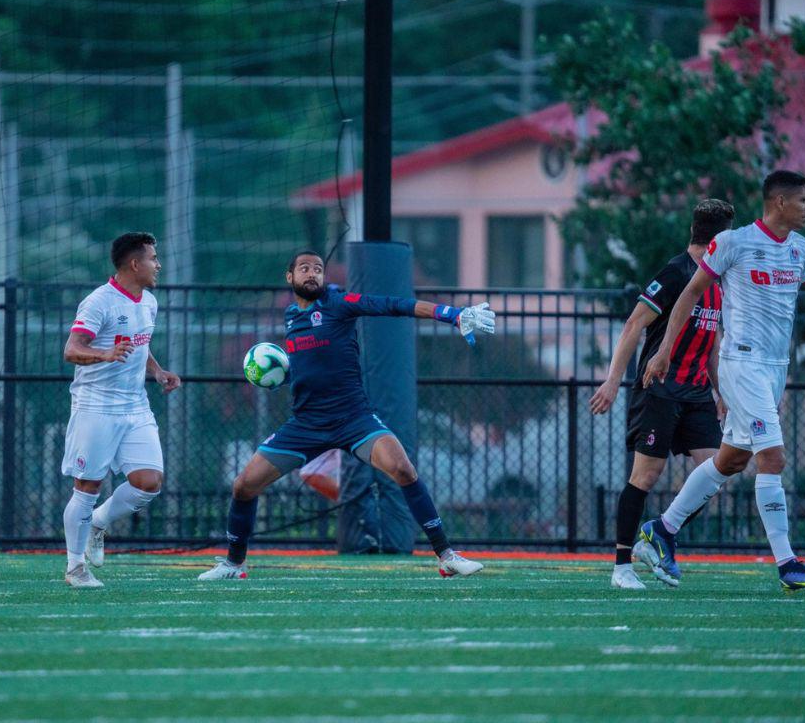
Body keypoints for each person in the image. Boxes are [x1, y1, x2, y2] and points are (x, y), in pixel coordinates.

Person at [198, 250, 496, 580]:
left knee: (402, 469)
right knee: (243, 485)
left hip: (354, 418)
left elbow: (392, 304)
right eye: (304, 268)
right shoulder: (290, 316)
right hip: (306, 423)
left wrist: (451, 313)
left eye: (318, 269)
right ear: (290, 277)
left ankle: (447, 556)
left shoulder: (337, 302)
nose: (312, 273)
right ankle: (235, 564)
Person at [642, 170, 805, 591]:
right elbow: (688, 294)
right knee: (772, 458)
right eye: (804, 201)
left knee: (731, 461)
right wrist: (664, 349)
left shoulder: (804, 252)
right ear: (779, 203)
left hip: (775, 369)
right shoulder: (733, 243)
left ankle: (662, 530)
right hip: (742, 364)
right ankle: (787, 563)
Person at [590, 199, 733, 590]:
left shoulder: (717, 281)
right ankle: (622, 567)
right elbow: (635, 323)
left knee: (719, 470)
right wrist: (613, 380)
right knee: (646, 475)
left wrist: (722, 392)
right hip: (661, 391)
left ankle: (659, 533)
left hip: (698, 394)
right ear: (719, 238)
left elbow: (713, 345)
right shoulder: (676, 273)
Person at [59, 232, 181, 588]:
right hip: (95, 406)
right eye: (153, 258)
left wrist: (157, 372)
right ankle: (75, 567)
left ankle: (98, 523)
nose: (158, 264)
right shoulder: (99, 302)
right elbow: (72, 349)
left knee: (148, 483)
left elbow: (139, 346)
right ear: (134, 264)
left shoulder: (149, 302)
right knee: (87, 486)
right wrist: (104, 354)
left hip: (135, 406)